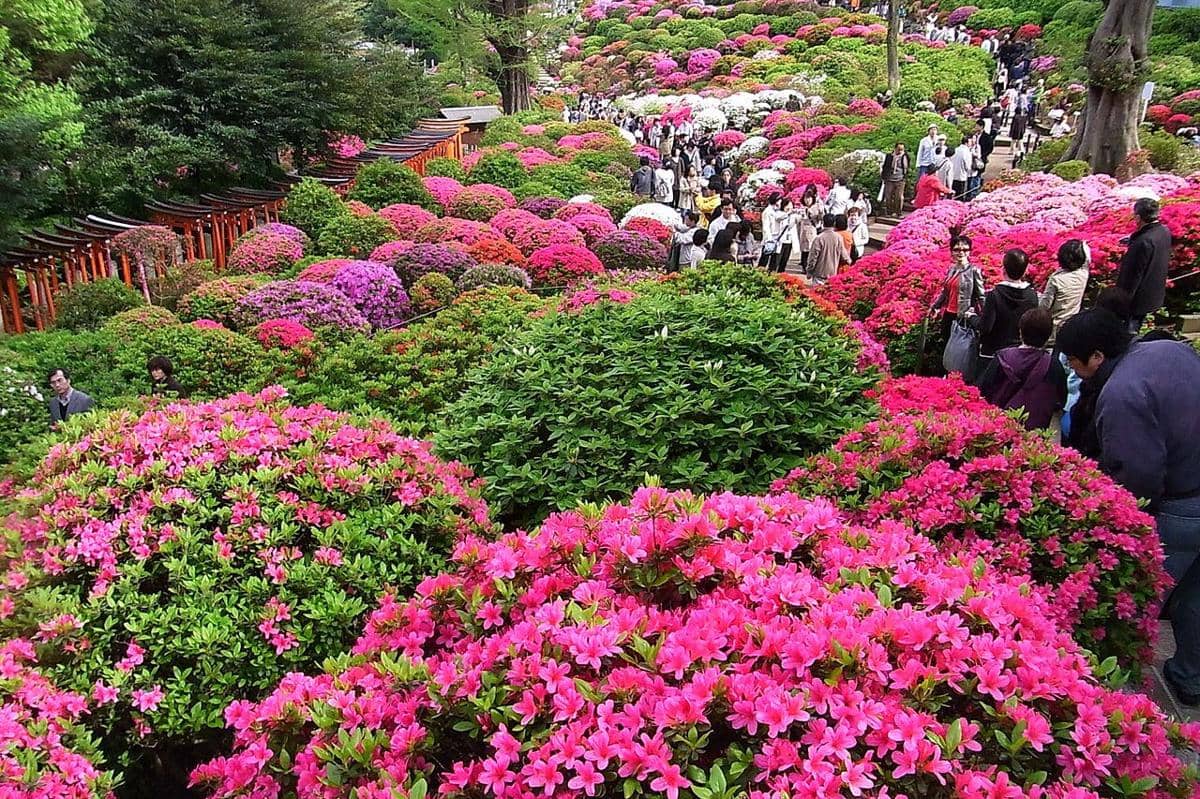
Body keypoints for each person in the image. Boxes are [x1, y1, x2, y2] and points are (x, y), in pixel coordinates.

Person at [1056, 309, 1200, 706]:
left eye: (1074, 362)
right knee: (1193, 595)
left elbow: (1138, 476)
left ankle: (1118, 700)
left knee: (1139, 604)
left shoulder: (1121, 392)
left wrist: (1125, 530)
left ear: (1097, 356)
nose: (1073, 371)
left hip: (1182, 508)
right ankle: (1190, 677)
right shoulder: (1170, 349)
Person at [977, 308, 1067, 430]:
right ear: (1049, 335)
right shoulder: (1053, 365)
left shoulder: (1003, 357)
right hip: (1034, 431)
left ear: (1020, 331)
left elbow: (984, 389)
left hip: (998, 424)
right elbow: (1060, 399)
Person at [1116, 197, 1172, 334]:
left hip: (1136, 302)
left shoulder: (1143, 242)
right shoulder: (1164, 231)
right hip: (1152, 295)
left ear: (1138, 217)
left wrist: (1121, 301)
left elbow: (1132, 277)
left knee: (1128, 333)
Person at [975, 248, 1038, 370]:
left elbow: (985, 327)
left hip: (993, 355)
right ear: (1025, 271)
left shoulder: (995, 295)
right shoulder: (1032, 296)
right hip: (1019, 355)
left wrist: (972, 317)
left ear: (1003, 269)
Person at [931, 235, 985, 343]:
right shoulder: (951, 269)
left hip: (964, 316)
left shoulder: (974, 271)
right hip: (948, 315)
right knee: (947, 344)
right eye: (957, 250)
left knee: (961, 348)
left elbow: (981, 296)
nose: (961, 253)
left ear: (969, 252)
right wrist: (936, 306)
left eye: (965, 250)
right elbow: (945, 292)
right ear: (951, 251)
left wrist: (986, 317)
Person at [1039, 238, 1090, 346]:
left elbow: (1044, 307)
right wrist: (1083, 244)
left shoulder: (1056, 280)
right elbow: (1087, 258)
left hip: (1053, 331)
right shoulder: (1084, 274)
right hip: (1071, 326)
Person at [808, 213, 850, 285]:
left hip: (819, 274)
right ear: (834, 223)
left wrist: (809, 271)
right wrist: (849, 261)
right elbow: (844, 255)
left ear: (823, 223)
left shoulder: (819, 238)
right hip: (832, 274)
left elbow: (813, 257)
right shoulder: (838, 238)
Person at [798, 187, 824, 274]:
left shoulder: (815, 208)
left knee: (812, 249)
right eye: (806, 198)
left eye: (809, 198)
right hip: (803, 232)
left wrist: (820, 213)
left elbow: (820, 218)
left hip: (812, 231)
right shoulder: (801, 208)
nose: (807, 200)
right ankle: (804, 266)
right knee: (804, 250)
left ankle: (811, 267)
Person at [880, 142, 909, 216]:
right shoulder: (889, 156)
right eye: (899, 149)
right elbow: (885, 167)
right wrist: (884, 177)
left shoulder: (905, 156)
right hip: (889, 178)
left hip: (900, 179)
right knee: (888, 196)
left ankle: (898, 212)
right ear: (895, 148)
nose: (900, 151)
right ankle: (889, 212)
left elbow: (906, 168)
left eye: (902, 149)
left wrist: (905, 177)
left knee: (898, 197)